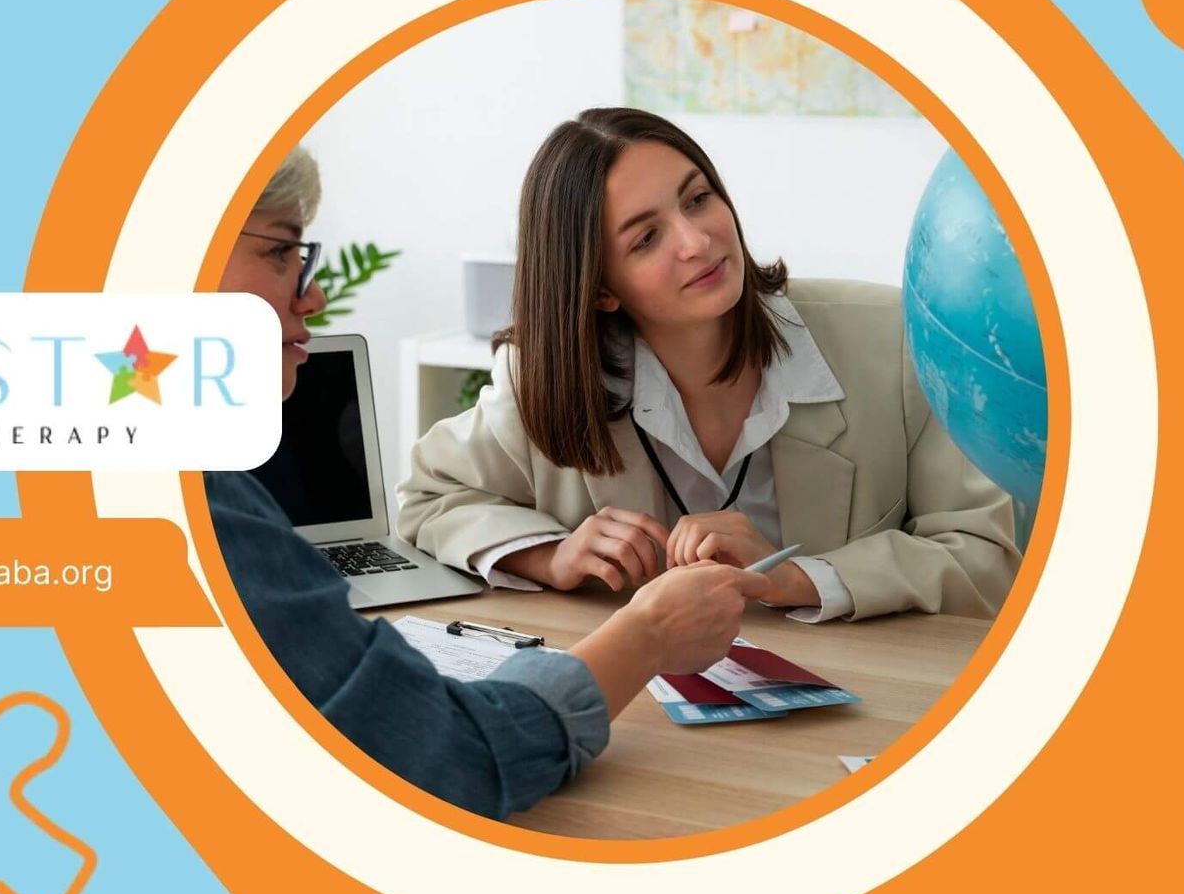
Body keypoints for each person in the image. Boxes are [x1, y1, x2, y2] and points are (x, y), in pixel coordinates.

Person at [206, 145, 768, 820]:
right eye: (280, 252)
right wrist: (640, 629)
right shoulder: (208, 512)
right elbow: (455, 756)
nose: (315, 294)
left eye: (699, 198)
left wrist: (796, 576)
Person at [397, 108, 1019, 621]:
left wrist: (798, 578)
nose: (696, 242)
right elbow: (429, 500)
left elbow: (983, 558)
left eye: (697, 199)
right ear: (600, 289)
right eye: (646, 238)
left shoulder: (895, 339)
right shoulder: (544, 379)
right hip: (643, 702)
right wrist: (550, 556)